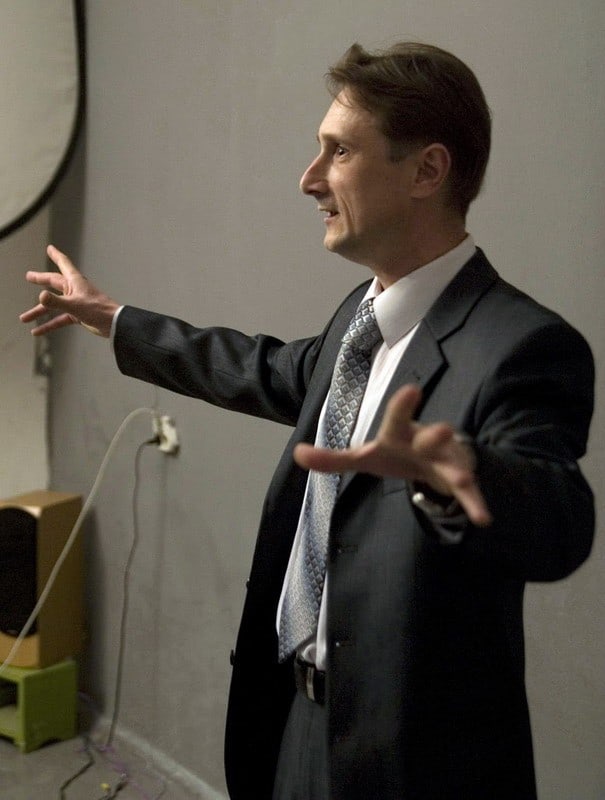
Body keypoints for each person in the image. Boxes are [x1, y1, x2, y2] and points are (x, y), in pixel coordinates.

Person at [21, 42, 594, 800]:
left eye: (339, 151)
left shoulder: (522, 344)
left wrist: (460, 472)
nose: (309, 178)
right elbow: (264, 368)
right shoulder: (360, 316)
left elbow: (559, 522)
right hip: (293, 722)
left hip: (413, 765)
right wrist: (116, 320)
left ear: (426, 171)